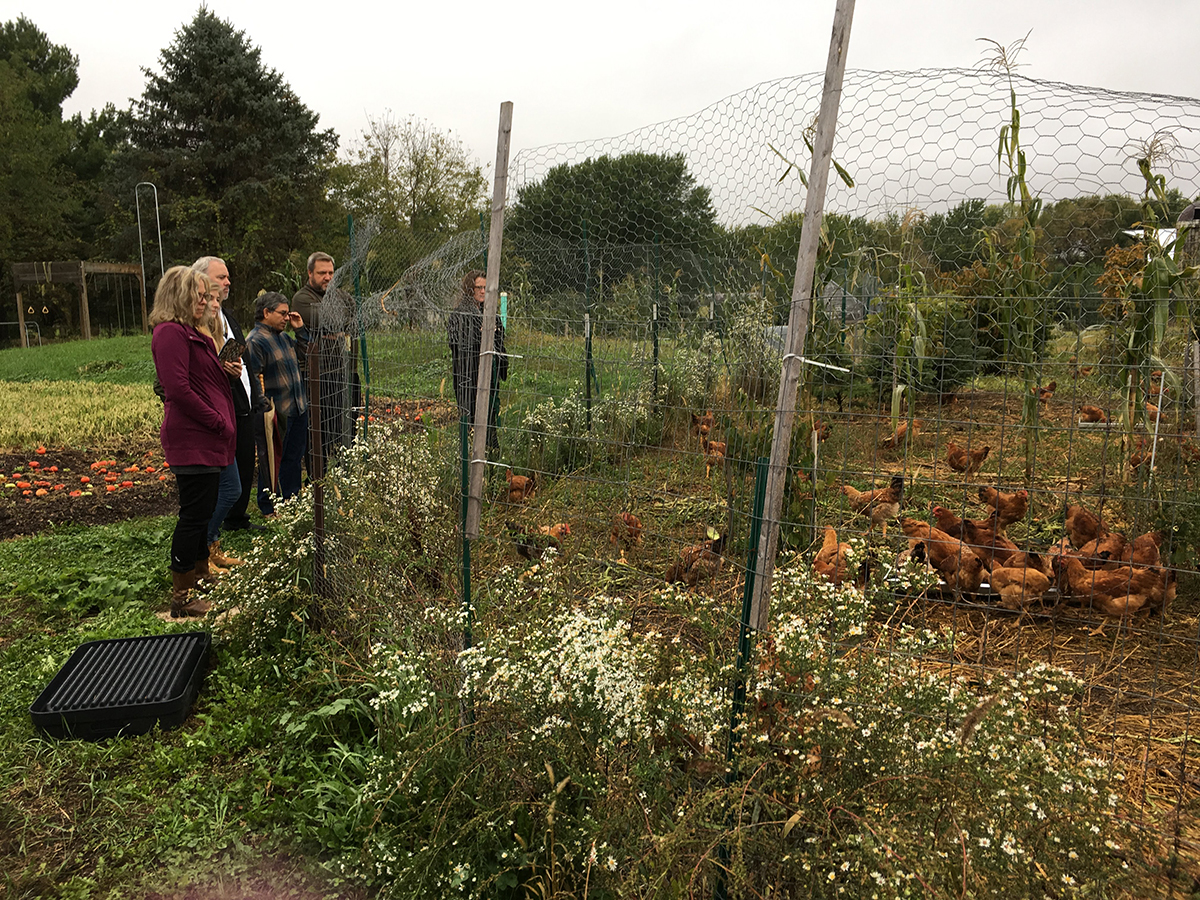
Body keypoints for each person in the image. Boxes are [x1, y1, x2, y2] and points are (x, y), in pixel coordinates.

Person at [150, 266, 236, 618]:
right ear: (179, 295)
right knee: (192, 514)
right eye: (198, 295)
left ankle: (201, 573)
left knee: (202, 512)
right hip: (192, 437)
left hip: (208, 439)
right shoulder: (170, 333)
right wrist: (216, 419)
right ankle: (182, 595)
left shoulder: (190, 332)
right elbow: (178, 389)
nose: (204, 300)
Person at [192, 256, 264, 536]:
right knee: (227, 473)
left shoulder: (228, 316)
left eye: (227, 277)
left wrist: (255, 396)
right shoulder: (195, 323)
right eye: (220, 277)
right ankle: (212, 532)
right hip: (222, 407)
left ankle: (236, 517)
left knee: (245, 462)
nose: (227, 282)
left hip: (242, 401)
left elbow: (242, 360)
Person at [194, 281, 246, 570]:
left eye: (216, 299)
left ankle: (212, 546)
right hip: (206, 428)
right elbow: (170, 386)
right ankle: (203, 552)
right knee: (222, 491)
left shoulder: (217, 335)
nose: (215, 304)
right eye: (208, 298)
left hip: (223, 424)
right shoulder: (189, 338)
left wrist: (231, 372)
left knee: (232, 489)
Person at [292, 251, 359, 476]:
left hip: (343, 372)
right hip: (318, 375)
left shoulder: (338, 294)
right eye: (322, 273)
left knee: (343, 429)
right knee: (318, 433)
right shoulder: (302, 298)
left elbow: (356, 321)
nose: (328, 277)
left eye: (331, 272)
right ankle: (317, 482)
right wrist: (337, 329)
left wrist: (334, 330)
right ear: (310, 273)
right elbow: (331, 321)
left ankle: (342, 478)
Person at [245, 292, 309, 516]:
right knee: (272, 459)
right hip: (278, 411)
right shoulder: (255, 341)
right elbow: (252, 378)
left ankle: (292, 500)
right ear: (266, 313)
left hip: (298, 406)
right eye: (282, 313)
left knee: (293, 457)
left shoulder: (283, 337)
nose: (286, 317)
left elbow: (306, 353)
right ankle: (268, 505)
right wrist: (264, 408)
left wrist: (299, 329)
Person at [448, 270, 507, 452]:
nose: (483, 291)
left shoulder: (491, 315)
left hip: (489, 377)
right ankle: (468, 460)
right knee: (470, 420)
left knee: (489, 418)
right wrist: (481, 335)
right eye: (479, 287)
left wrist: (491, 333)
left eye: (485, 288)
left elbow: (501, 339)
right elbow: (455, 343)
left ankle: (490, 457)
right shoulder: (458, 315)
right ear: (469, 289)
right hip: (467, 378)